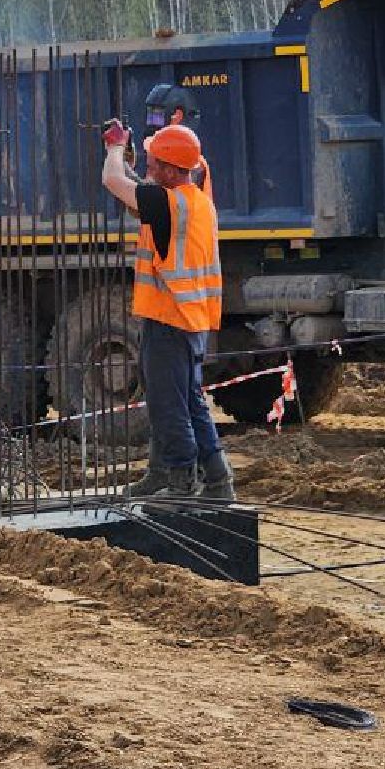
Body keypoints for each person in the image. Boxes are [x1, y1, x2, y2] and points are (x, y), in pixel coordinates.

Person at [101, 113, 234, 500]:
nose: (149, 168)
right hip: (191, 320)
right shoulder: (195, 198)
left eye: (154, 163)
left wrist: (114, 148)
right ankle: (216, 479)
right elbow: (140, 194)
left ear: (172, 171)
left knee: (167, 405)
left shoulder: (166, 204)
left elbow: (113, 181)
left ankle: (179, 480)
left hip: (169, 320)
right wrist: (128, 159)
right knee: (189, 401)